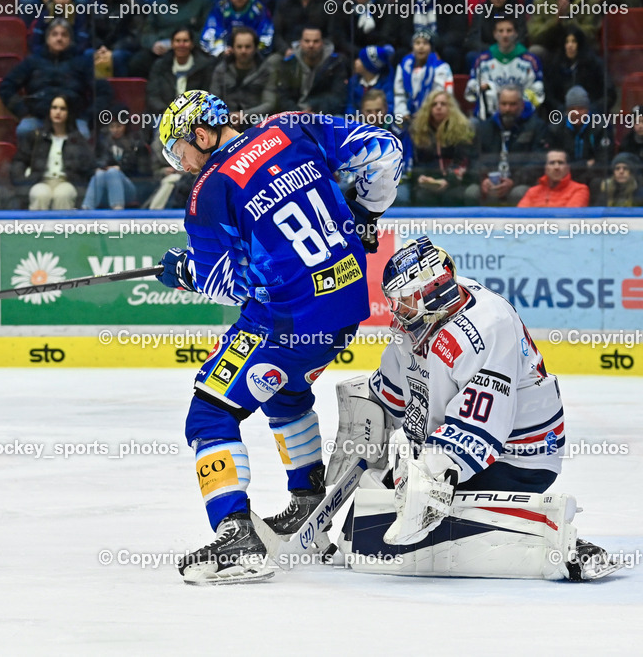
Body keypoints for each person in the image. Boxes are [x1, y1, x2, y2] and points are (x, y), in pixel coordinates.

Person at [155, 89, 402, 584]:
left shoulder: (209, 192)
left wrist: (185, 272)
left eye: (180, 152)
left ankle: (235, 536)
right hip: (346, 306)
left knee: (210, 413)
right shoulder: (290, 127)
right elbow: (385, 151)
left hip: (284, 322)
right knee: (285, 393)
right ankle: (309, 507)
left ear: (201, 134)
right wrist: (365, 216)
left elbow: (229, 284)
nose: (182, 166)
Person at [351, 237, 617, 581]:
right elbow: (391, 393)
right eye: (394, 300)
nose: (397, 309)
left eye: (404, 300)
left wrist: (429, 478)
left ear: (432, 292)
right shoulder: (420, 319)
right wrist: (365, 425)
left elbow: (481, 428)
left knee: (418, 519)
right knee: (370, 524)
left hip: (517, 456)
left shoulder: (487, 325)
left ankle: (561, 545)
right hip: (453, 443)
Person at [0, 18, 95, 138]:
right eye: (54, 34)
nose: (59, 38)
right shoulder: (32, 62)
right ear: (47, 39)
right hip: (38, 118)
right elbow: (6, 87)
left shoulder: (83, 63)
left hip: (73, 119)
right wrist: (22, 111)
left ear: (70, 40)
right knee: (24, 130)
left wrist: (86, 116)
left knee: (82, 134)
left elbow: (103, 91)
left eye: (64, 35)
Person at [466, 85, 547, 205]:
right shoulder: (485, 127)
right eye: (503, 104)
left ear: (522, 105)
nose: (507, 109)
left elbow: (538, 161)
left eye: (512, 104)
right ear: (498, 104)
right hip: (491, 180)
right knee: (472, 192)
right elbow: (474, 158)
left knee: (519, 193)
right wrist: (484, 179)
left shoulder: (536, 126)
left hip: (520, 182)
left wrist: (513, 181)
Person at [10, 94, 92, 210]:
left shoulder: (77, 139)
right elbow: (19, 161)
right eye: (54, 108)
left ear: (68, 113)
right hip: (40, 181)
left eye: (62, 109)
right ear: (49, 111)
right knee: (40, 194)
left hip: (67, 182)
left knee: (63, 194)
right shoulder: (36, 137)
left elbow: (87, 166)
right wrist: (23, 180)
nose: (58, 112)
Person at [129, 0, 212, 78]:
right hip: (160, 50)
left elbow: (208, 33)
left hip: (190, 49)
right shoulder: (159, 4)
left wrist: (181, 43)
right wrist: (153, 44)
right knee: (137, 62)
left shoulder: (204, 2)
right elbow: (146, 32)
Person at [464, 17, 544, 120]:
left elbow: (538, 91)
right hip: (488, 119)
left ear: (516, 33)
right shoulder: (482, 61)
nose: (505, 35)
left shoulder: (530, 61)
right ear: (494, 34)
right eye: (500, 31)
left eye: (509, 31)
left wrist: (519, 100)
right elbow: (470, 91)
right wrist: (480, 88)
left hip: (523, 117)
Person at [407, 89, 475, 206]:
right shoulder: (419, 132)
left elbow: (462, 162)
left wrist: (448, 181)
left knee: (452, 197)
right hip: (428, 182)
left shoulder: (461, 130)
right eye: (434, 104)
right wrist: (421, 177)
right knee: (422, 196)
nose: (438, 107)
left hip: (454, 182)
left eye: (443, 104)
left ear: (450, 108)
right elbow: (416, 162)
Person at [388, 0, 467, 73]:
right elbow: (402, 31)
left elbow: (457, 31)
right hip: (413, 46)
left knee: (451, 54)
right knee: (400, 54)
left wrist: (432, 47)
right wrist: (417, 46)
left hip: (442, 46)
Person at [209, 27, 278, 131]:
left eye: (248, 47)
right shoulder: (221, 69)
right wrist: (227, 117)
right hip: (225, 119)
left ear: (255, 48)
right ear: (232, 48)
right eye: (239, 47)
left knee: (263, 122)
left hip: (255, 120)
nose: (243, 51)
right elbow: (213, 101)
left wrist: (243, 115)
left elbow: (269, 104)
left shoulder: (267, 70)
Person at [274, 25, 348, 115]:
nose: (311, 45)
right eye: (307, 41)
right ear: (300, 42)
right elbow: (282, 97)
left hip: (324, 114)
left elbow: (338, 97)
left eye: (316, 41)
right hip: (294, 114)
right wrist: (299, 113)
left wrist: (315, 111)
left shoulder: (335, 63)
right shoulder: (289, 63)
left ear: (322, 43)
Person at [82, 116, 151, 210]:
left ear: (125, 126)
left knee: (113, 172)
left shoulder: (137, 143)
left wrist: (121, 169)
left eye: (118, 126)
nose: (115, 130)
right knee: (100, 174)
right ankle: (87, 209)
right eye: (112, 127)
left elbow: (143, 170)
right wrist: (101, 167)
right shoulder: (104, 143)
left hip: (132, 187)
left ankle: (117, 209)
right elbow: (97, 162)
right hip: (105, 187)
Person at [145, 26, 215, 119]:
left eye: (185, 41)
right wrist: (166, 112)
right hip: (164, 114)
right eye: (177, 41)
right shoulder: (160, 65)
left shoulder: (204, 66)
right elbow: (153, 95)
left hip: (194, 116)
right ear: (172, 44)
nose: (181, 45)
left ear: (192, 44)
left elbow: (207, 95)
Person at [199, 0, 274, 57]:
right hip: (225, 54)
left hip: (253, 56)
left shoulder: (259, 10)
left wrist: (254, 50)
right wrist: (221, 50)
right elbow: (210, 33)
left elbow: (267, 35)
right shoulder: (220, 8)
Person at [527, 0, 599, 59]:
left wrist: (567, 19)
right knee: (535, 50)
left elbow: (590, 34)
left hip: (579, 48)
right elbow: (535, 35)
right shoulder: (542, 0)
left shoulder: (590, 0)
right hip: (552, 47)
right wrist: (556, 20)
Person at [272, 0, 342, 58]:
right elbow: (277, 34)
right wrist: (285, 50)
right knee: (273, 61)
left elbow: (334, 35)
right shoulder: (285, 3)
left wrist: (321, 50)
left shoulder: (330, 4)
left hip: (321, 53)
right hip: (290, 53)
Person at [393, 30, 453, 125]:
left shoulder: (441, 68)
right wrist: (402, 113)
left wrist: (425, 113)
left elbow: (443, 95)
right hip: (407, 116)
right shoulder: (403, 67)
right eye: (417, 43)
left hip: (433, 115)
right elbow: (399, 94)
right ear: (412, 47)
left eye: (425, 43)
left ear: (431, 47)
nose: (421, 47)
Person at [517, 149, 589, 207]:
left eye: (560, 163)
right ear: (546, 168)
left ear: (567, 168)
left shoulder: (579, 190)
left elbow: (569, 216)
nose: (556, 167)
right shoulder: (533, 191)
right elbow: (520, 216)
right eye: (552, 163)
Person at [344, 45, 395, 116]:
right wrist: (352, 116)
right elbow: (350, 104)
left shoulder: (386, 84)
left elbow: (389, 106)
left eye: (360, 60)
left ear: (369, 66)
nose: (356, 62)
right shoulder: (353, 82)